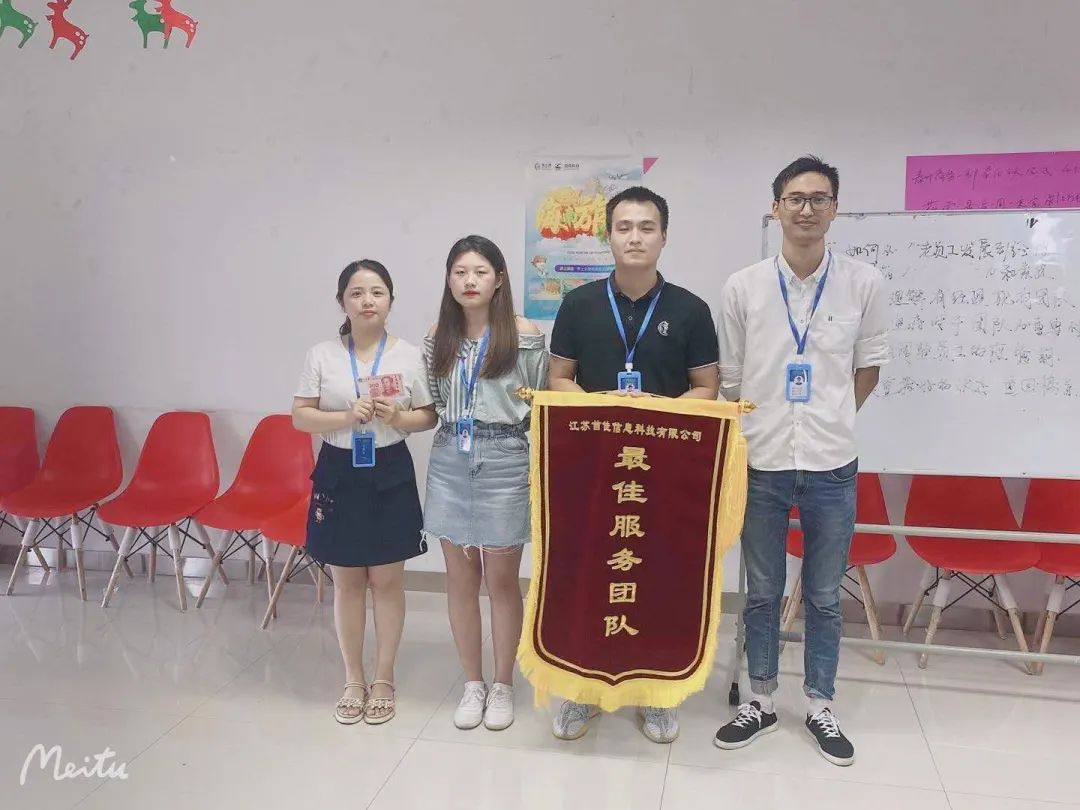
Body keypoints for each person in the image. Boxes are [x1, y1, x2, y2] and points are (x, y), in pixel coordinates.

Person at [713, 156, 890, 766]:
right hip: (762, 459)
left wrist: (832, 416)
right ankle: (759, 700)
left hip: (832, 463)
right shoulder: (743, 287)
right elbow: (731, 376)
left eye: (819, 198)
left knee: (822, 593)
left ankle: (819, 703)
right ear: (776, 208)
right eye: (795, 198)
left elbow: (869, 368)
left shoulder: (863, 283)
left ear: (835, 209)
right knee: (762, 590)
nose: (806, 208)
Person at [547, 186, 720, 743]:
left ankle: (655, 693)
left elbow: (707, 388)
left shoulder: (691, 309)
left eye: (647, 227)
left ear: (663, 237)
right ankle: (582, 688)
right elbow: (558, 379)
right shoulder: (578, 305)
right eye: (624, 227)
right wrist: (607, 410)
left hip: (662, 475)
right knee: (588, 576)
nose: (635, 237)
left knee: (657, 579)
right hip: (593, 472)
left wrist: (655, 415)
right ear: (608, 236)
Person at [292, 260, 437, 725]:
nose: (367, 300)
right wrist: (344, 416)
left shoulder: (409, 355)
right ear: (342, 303)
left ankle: (384, 677)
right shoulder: (322, 355)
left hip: (390, 469)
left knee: (388, 582)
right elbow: (300, 416)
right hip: (339, 469)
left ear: (391, 301)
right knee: (348, 582)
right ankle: (354, 678)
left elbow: (428, 416)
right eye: (356, 293)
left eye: (377, 292)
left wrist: (397, 417)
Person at [423, 235, 548, 732]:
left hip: (505, 458)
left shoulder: (523, 333)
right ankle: (472, 683)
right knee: (460, 579)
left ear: (499, 279)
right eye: (460, 272)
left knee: (501, 580)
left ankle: (502, 685)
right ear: (449, 280)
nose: (469, 281)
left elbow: (539, 400)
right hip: (450, 457)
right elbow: (433, 401)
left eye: (479, 271)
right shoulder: (438, 336)